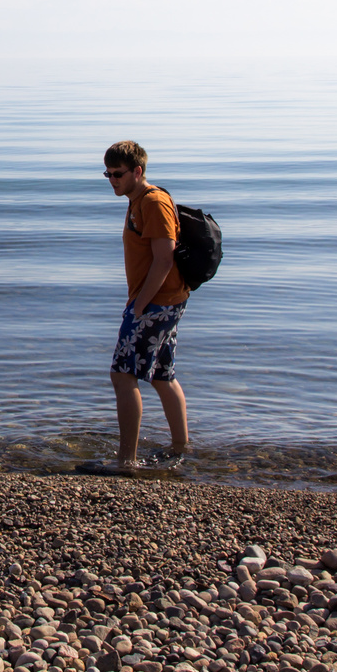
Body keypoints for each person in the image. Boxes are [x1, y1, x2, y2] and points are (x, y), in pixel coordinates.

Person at [93, 139, 190, 473]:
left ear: (137, 171)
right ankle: (180, 448)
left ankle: (126, 461)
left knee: (122, 375)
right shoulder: (136, 200)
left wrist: (139, 306)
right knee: (162, 375)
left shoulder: (154, 203)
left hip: (156, 303)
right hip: (164, 301)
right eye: (107, 174)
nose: (112, 181)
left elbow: (164, 259)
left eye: (118, 174)